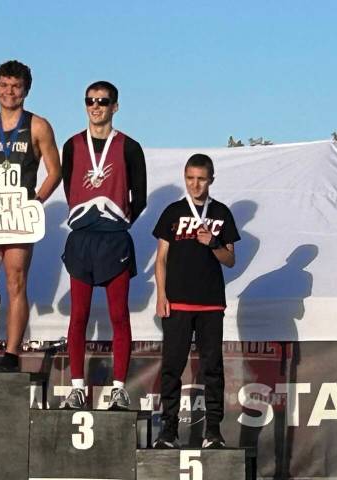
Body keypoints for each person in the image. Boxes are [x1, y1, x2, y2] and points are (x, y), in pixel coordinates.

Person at [0, 60, 61, 372]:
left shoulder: (38, 126)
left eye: (16, 86)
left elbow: (54, 171)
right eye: (4, 86)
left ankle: (11, 352)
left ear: (26, 90)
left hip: (19, 218)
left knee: (16, 279)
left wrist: (36, 202)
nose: (10, 92)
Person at [59, 81, 147, 410]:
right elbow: (70, 190)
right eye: (91, 101)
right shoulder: (71, 145)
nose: (96, 106)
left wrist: (119, 222)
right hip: (82, 239)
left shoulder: (129, 147)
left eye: (103, 101)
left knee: (118, 315)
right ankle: (78, 387)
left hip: (114, 240)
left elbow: (140, 196)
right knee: (78, 316)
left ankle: (119, 389)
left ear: (115, 106)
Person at [152, 154, 240, 449]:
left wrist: (213, 243)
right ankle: (169, 431)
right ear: (185, 178)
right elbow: (161, 258)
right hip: (177, 301)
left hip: (211, 302)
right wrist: (161, 295)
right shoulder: (173, 212)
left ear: (211, 180)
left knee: (212, 367)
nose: (195, 184)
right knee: (172, 367)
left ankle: (213, 431)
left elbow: (230, 260)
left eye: (201, 179)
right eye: (190, 178)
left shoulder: (222, 213)